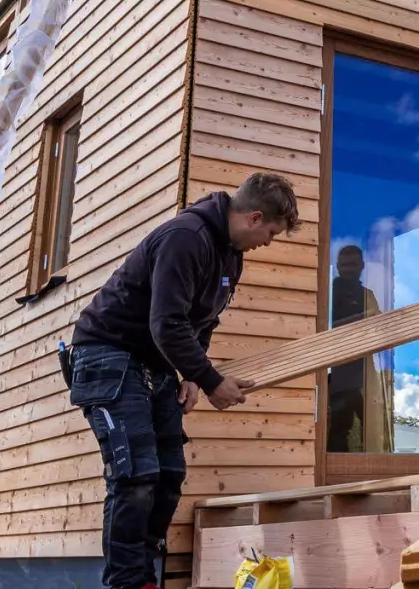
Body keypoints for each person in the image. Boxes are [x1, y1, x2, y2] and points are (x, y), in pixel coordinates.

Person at [64, 172, 300, 589]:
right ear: (255, 217)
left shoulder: (230, 255)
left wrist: (193, 372)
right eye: (272, 232)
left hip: (151, 363)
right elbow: (167, 322)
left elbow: (201, 320)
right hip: (106, 354)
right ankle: (127, 582)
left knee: (168, 474)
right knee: (135, 476)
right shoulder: (186, 237)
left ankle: (143, 575)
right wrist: (210, 380)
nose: (270, 242)